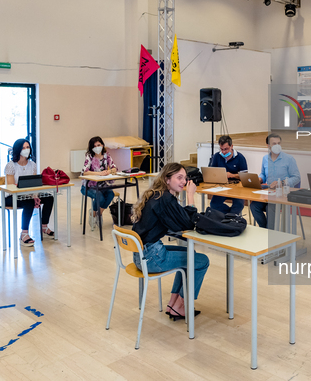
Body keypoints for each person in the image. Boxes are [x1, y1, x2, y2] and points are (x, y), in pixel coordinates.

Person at [131, 162, 210, 319]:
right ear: (167, 179)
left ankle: (173, 304)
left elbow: (178, 218)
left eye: (185, 178)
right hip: (152, 258)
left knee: (190, 254)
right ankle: (181, 306)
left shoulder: (156, 194)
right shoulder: (166, 198)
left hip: (140, 255)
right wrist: (190, 196)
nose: (183, 182)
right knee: (202, 261)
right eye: (179, 177)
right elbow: (187, 224)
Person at [4, 139, 55, 246]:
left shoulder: (32, 164)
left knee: (49, 198)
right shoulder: (11, 165)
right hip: (11, 197)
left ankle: (44, 227)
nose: (26, 150)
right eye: (23, 148)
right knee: (28, 202)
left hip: (28, 195)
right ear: (18, 150)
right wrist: (31, 198)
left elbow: (34, 184)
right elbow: (11, 187)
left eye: (28, 147)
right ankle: (24, 233)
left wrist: (35, 196)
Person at [250, 133, 301, 228]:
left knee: (271, 207)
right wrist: (260, 178)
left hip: (283, 194)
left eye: (279, 143)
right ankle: (265, 229)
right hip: (269, 192)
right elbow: (263, 174)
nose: (277, 146)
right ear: (268, 146)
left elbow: (296, 177)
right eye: (274, 144)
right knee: (254, 206)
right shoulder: (265, 159)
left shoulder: (289, 159)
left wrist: (281, 183)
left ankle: (270, 232)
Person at [81, 136, 117, 231]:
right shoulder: (89, 156)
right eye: (94, 146)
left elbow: (114, 168)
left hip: (103, 184)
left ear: (102, 145)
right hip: (89, 186)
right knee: (99, 197)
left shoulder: (107, 155)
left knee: (110, 194)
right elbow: (85, 171)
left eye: (99, 145)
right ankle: (93, 214)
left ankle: (97, 213)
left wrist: (110, 171)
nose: (97, 147)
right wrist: (99, 173)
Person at [209, 135, 248, 215]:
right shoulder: (216, 156)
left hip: (237, 188)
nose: (223, 152)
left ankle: (232, 217)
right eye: (221, 149)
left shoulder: (240, 157)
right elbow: (212, 172)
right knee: (214, 204)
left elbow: (245, 176)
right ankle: (230, 216)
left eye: (226, 149)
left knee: (239, 205)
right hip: (221, 186)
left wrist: (232, 175)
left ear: (231, 146)